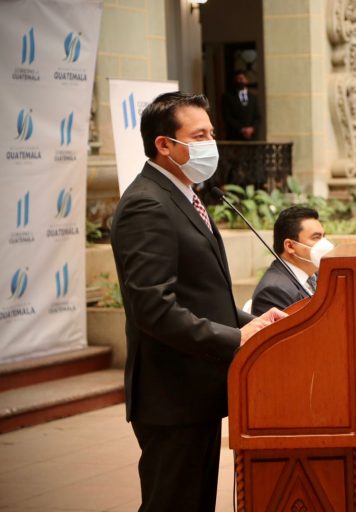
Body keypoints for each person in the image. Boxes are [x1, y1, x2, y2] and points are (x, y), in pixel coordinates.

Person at [110, 91, 286, 512]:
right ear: (164, 144)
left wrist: (253, 323)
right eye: (200, 135)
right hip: (172, 395)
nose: (211, 144)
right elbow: (153, 307)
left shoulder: (182, 194)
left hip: (196, 391)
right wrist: (235, 338)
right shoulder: (147, 204)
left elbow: (200, 294)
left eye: (212, 134)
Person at [250, 206, 334, 316]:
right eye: (316, 237)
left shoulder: (321, 276)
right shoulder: (273, 291)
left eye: (324, 237)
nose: (324, 243)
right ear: (290, 246)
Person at [221, 71, 260, 140]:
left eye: (241, 79)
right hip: (235, 137)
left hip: (252, 138)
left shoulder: (253, 98)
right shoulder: (228, 97)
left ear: (246, 80)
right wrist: (241, 129)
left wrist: (251, 129)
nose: (239, 81)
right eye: (237, 79)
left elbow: (258, 117)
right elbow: (227, 116)